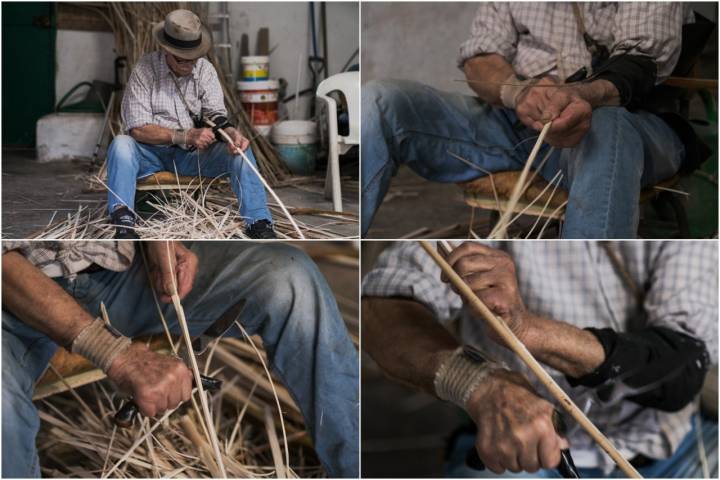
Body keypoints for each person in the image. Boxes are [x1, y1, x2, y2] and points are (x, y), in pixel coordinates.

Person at [2, 241, 359, 478]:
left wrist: (159, 239)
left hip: (120, 271)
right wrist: (116, 355)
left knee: (288, 277)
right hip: (13, 298)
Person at [362, 241, 717, 477]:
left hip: (670, 449)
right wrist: (478, 385)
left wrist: (530, 331)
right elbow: (383, 308)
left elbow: (683, 368)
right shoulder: (481, 229)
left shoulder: (681, 242)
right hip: (519, 454)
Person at [362, 3, 703, 238]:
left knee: (605, 127)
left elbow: (639, 63)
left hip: (623, 124)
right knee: (382, 101)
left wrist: (581, 96)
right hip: (516, 123)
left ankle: (580, 296)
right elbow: (481, 56)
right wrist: (517, 92)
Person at [106, 9, 275, 239]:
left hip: (192, 157)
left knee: (241, 153)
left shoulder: (204, 70)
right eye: (181, 59)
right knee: (121, 144)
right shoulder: (145, 71)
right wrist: (184, 136)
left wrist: (231, 133)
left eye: (192, 58)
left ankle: (259, 222)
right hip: (150, 155)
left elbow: (215, 115)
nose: (188, 65)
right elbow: (137, 128)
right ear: (165, 50)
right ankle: (123, 218)